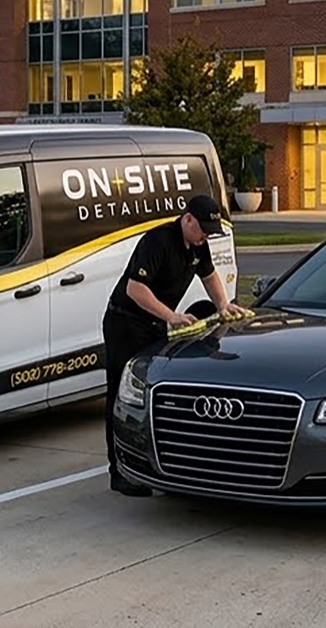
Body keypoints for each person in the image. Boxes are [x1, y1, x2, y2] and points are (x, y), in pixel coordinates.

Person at [102, 193, 251, 496]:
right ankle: (119, 472)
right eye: (203, 230)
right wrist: (171, 316)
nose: (205, 237)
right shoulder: (158, 242)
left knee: (156, 390)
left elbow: (209, 275)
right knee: (123, 392)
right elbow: (135, 289)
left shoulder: (198, 244)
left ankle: (159, 465)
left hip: (155, 324)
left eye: (209, 232)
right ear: (188, 219)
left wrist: (222, 305)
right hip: (126, 323)